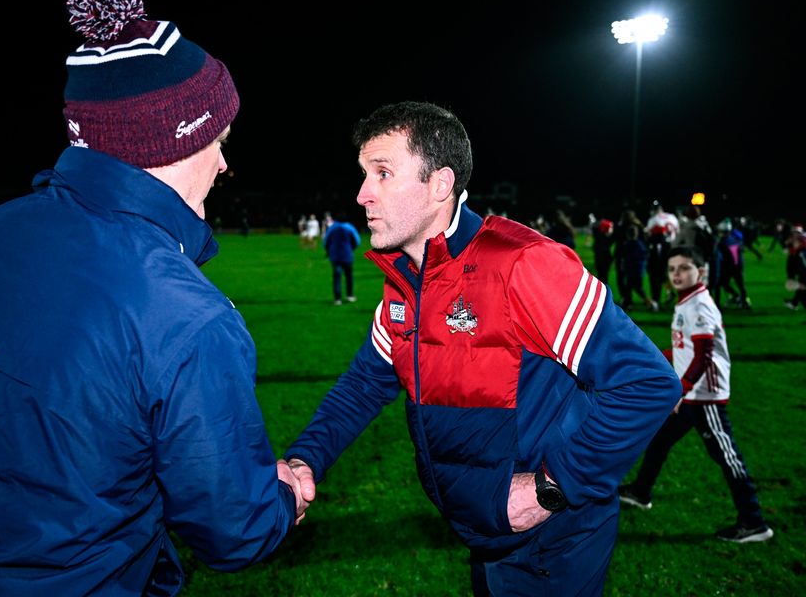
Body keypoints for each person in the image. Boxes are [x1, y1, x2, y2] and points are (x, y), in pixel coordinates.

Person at [0, 0, 306, 595]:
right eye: (219, 140)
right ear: (173, 143)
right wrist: (282, 498)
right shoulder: (186, 317)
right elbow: (233, 530)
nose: (225, 163)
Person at [282, 101, 681, 595]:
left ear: (440, 185)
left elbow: (648, 383)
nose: (363, 194)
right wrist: (305, 459)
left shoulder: (523, 263)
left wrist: (551, 489)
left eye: (383, 173)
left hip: (550, 539)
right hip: (486, 527)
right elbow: (364, 385)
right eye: (364, 174)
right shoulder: (406, 281)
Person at [619, 246, 773, 543]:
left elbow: (703, 355)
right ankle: (640, 492)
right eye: (672, 268)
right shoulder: (686, 302)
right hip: (692, 392)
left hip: (705, 395)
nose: (677, 274)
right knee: (659, 439)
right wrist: (650, 359)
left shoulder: (699, 306)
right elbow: (684, 350)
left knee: (727, 456)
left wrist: (683, 389)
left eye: (684, 267)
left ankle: (754, 522)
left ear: (701, 271)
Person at [322, 212, 361, 305]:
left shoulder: (332, 228)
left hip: (335, 255)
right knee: (349, 276)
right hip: (347, 255)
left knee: (337, 276)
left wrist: (329, 250)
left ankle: (337, 299)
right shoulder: (350, 227)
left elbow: (325, 242)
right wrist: (351, 248)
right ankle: (350, 296)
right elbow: (357, 241)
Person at [784, 230, 806, 310]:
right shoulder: (801, 244)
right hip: (803, 270)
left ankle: (794, 303)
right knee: (801, 287)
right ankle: (794, 303)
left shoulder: (801, 245)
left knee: (802, 287)